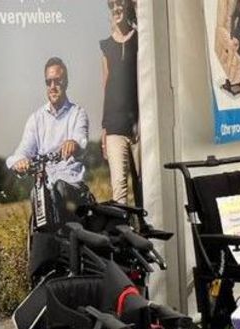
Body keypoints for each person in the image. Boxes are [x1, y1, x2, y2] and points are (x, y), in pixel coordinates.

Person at [6, 57, 89, 186]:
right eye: (48, 82)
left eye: (57, 81)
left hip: (70, 182)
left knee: (61, 188)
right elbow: (23, 150)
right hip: (44, 184)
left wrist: (74, 143)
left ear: (66, 82)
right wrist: (20, 160)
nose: (52, 87)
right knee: (35, 196)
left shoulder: (78, 113)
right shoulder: (35, 119)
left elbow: (81, 139)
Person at [100, 0, 141, 205]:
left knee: (144, 184)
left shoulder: (141, 38)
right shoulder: (106, 46)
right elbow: (106, 86)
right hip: (115, 127)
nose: (116, 8)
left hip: (140, 126)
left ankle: (146, 229)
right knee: (119, 188)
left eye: (120, 3)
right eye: (112, 5)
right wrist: (104, 130)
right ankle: (124, 233)